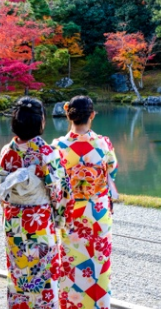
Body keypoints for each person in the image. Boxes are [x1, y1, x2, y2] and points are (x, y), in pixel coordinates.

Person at [0, 97, 73, 309]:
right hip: (39, 223)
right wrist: (60, 220)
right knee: (44, 277)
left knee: (19, 274)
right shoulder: (47, 154)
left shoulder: (6, 152)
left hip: (13, 223)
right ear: (41, 121)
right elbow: (61, 193)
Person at [52, 96, 118, 309]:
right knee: (98, 268)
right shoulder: (104, 143)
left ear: (68, 114)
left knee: (71, 265)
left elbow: (54, 183)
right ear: (92, 115)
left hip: (71, 213)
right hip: (97, 214)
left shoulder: (58, 146)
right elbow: (112, 170)